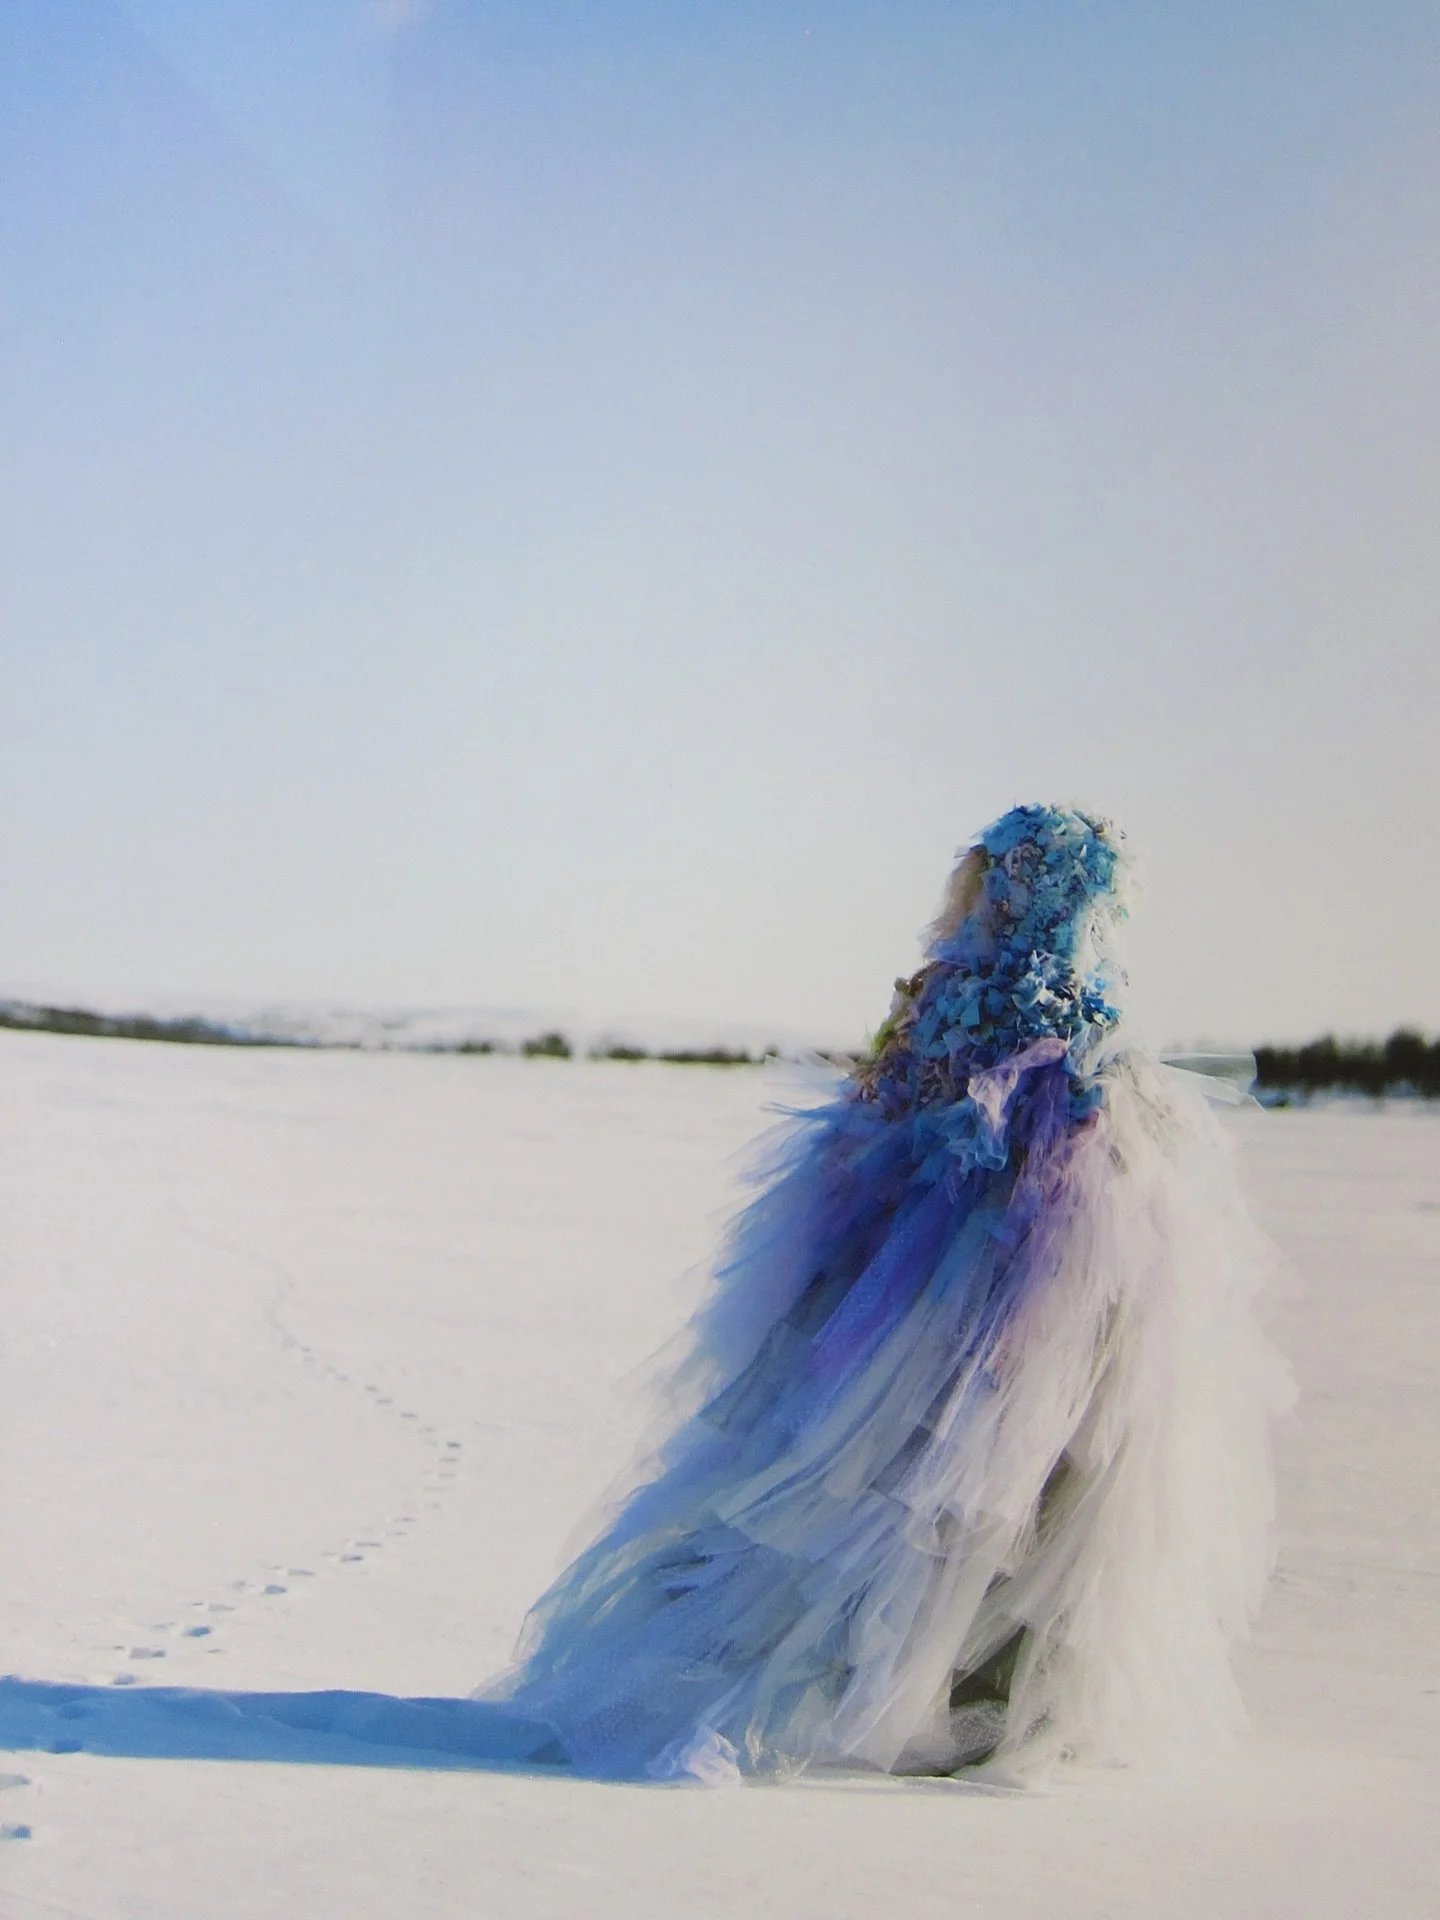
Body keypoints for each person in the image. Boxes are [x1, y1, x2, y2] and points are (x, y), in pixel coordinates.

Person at [476, 803, 1289, 1783]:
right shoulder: (1082, 1019)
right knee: (985, 1500)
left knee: (904, 1491)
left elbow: (899, 1139)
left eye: (991, 875)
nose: (971, 893)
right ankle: (965, 1694)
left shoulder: (984, 1004)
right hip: (1003, 1297)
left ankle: (913, 1689)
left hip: (963, 1294)